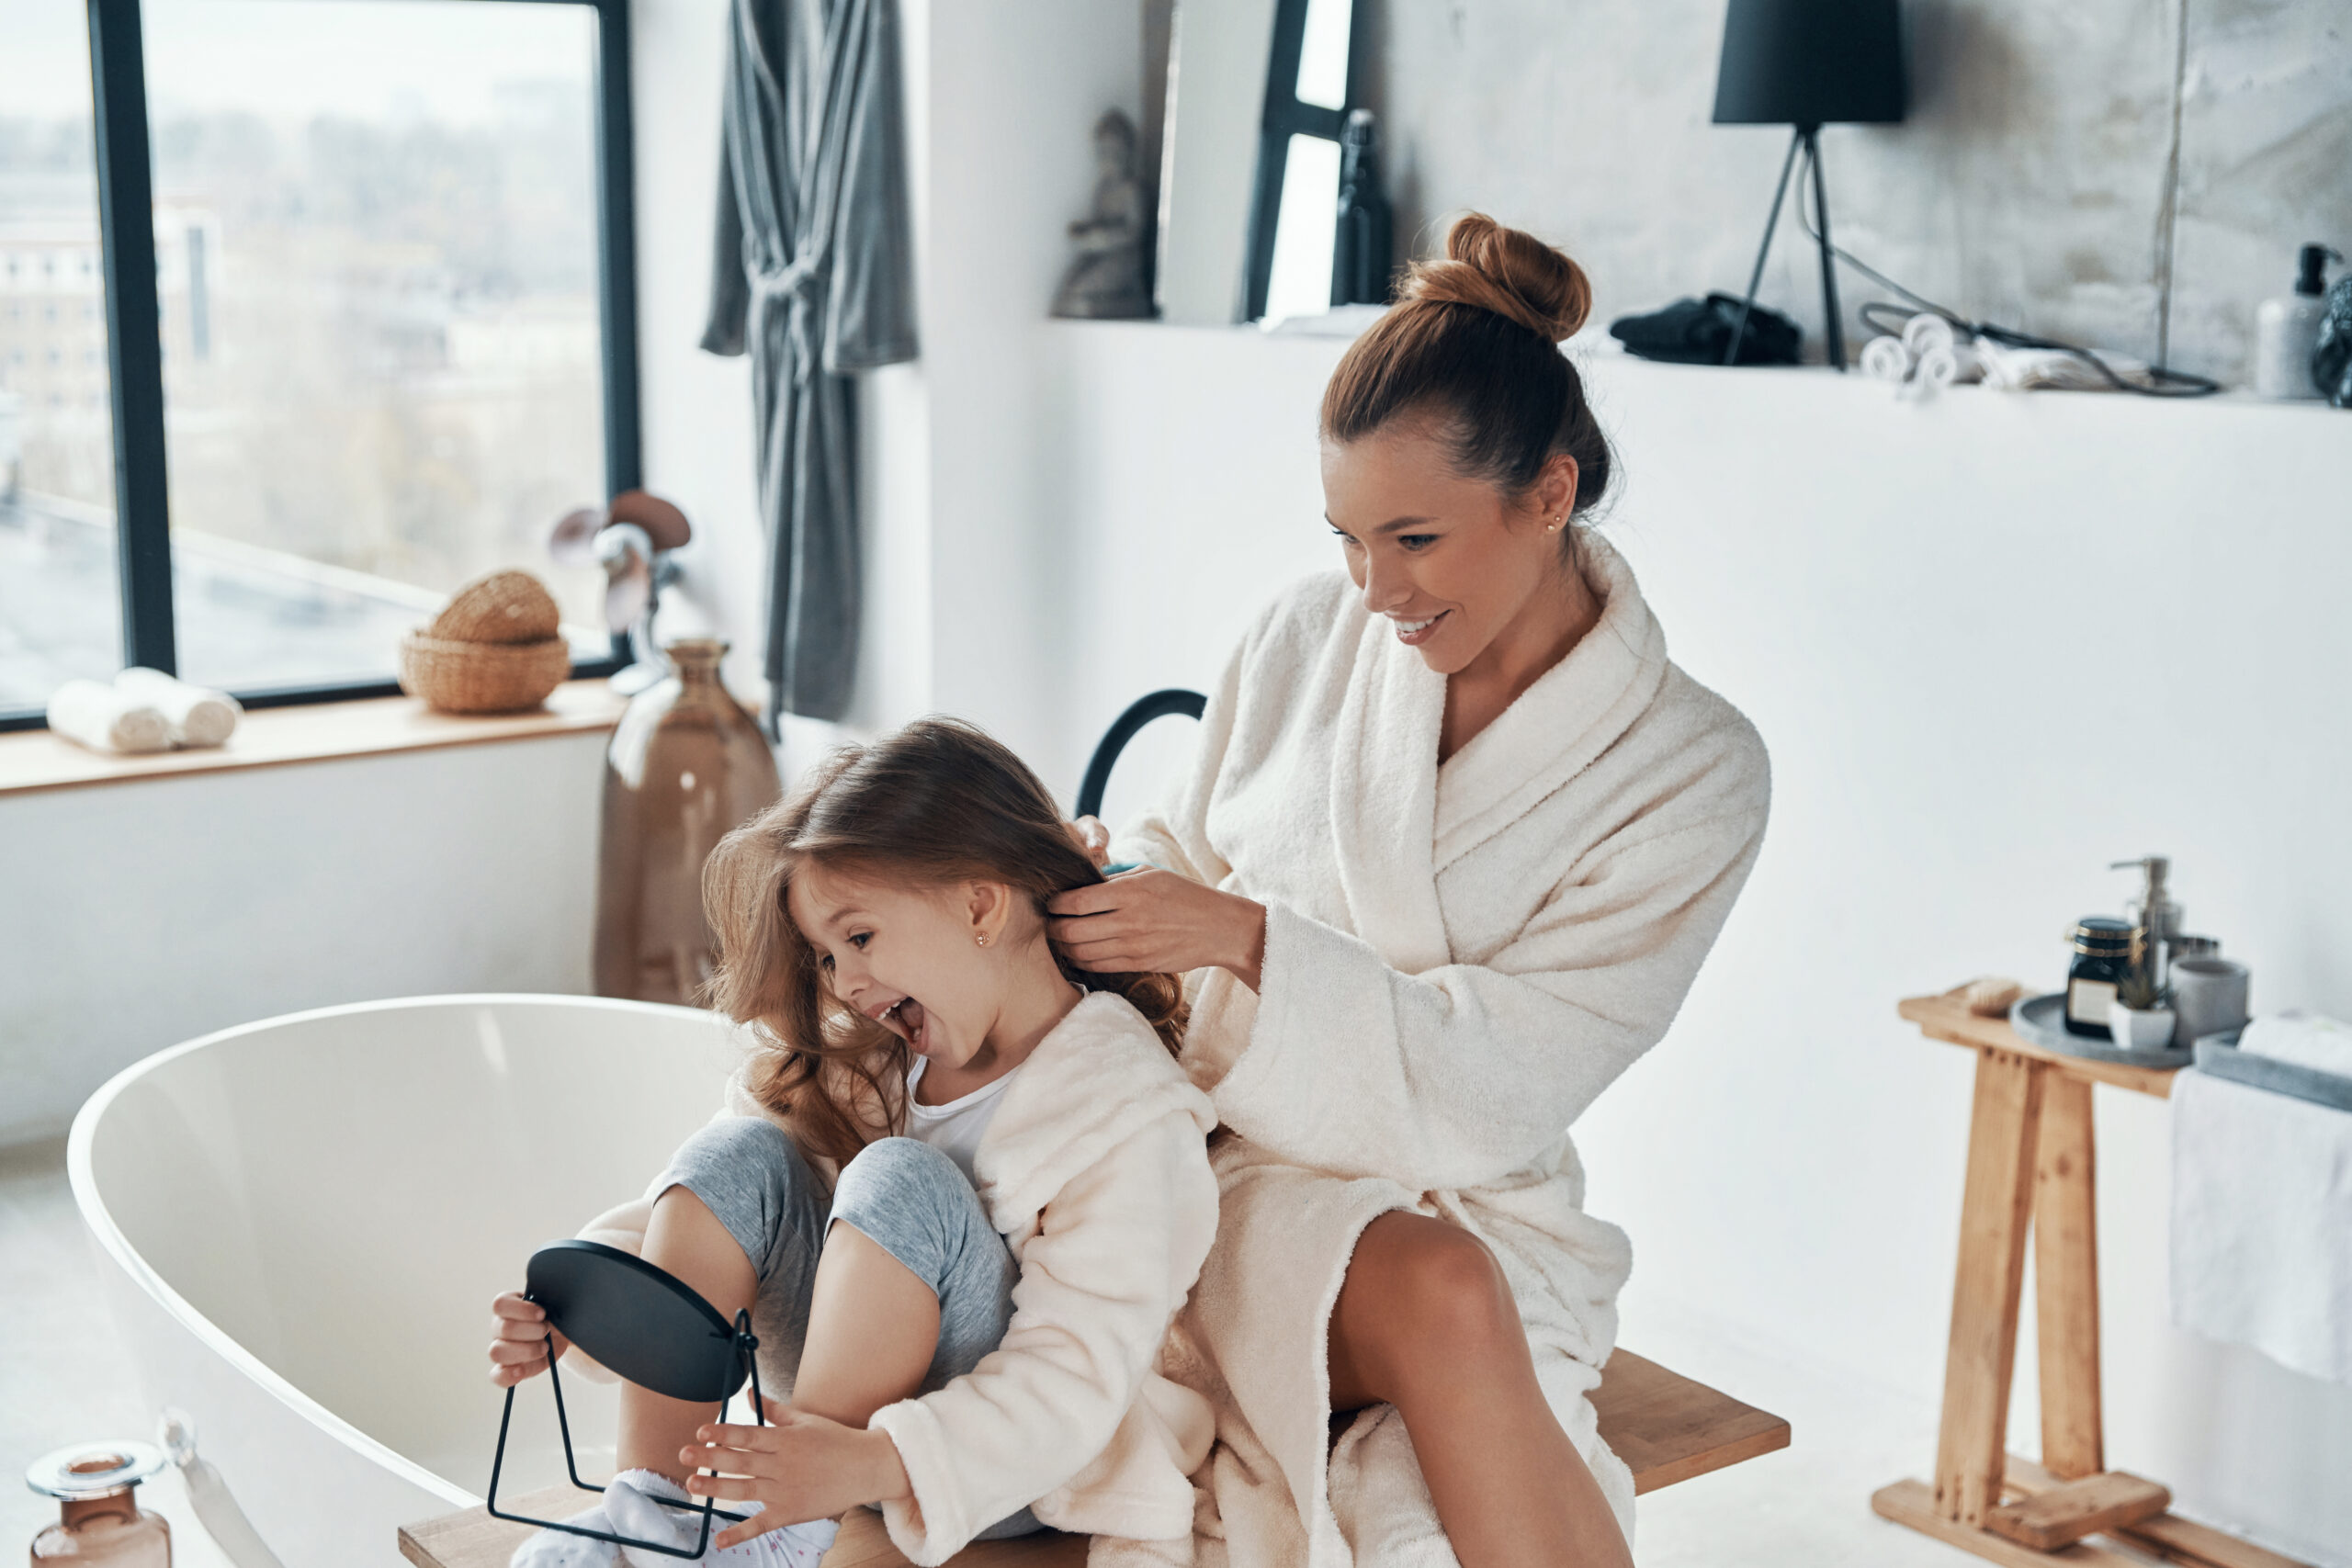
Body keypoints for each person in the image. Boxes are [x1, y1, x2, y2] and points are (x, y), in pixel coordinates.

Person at [1049, 213, 1771, 1568]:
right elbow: (1184, 847)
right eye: (1345, 537)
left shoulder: (1693, 769)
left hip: (1480, 1198)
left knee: (1452, 1297)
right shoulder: (1302, 634)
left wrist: (1248, 941)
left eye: (1416, 539)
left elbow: (1502, 1081)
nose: (1374, 588)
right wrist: (1118, 879)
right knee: (1441, 1293)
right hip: (1221, 1170)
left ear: (1550, 495)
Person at [490, 718, 1220, 1566]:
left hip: (995, 1461)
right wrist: (589, 1302)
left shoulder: (1123, 1106)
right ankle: (653, 1516)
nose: (846, 981)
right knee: (739, 1154)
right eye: (828, 956)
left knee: (903, 1177)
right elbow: (724, 1201)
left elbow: (1074, 1375)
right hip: (844, 1419)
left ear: (980, 905)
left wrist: (877, 1460)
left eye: (860, 937)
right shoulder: (881, 1060)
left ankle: (778, 1538)